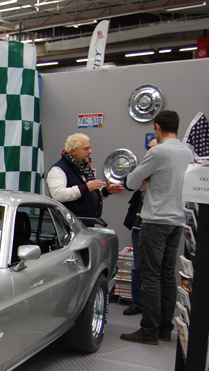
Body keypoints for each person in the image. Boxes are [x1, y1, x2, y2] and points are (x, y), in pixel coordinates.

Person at [120, 110, 194, 345]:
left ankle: (149, 330)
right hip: (177, 221)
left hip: (155, 221)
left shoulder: (158, 152)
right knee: (167, 274)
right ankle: (165, 328)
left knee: (150, 276)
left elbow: (131, 182)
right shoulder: (187, 152)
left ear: (158, 127)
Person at [46, 133, 124, 222]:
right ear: (73, 151)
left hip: (86, 223)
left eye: (90, 148)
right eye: (86, 149)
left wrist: (105, 191)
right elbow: (57, 195)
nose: (90, 151)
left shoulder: (84, 168)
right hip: (69, 225)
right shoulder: (58, 170)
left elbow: (88, 195)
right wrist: (84, 188)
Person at [121, 188, 144, 315]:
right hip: (139, 223)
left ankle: (153, 306)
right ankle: (137, 303)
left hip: (158, 223)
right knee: (138, 266)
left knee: (157, 269)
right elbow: (130, 184)